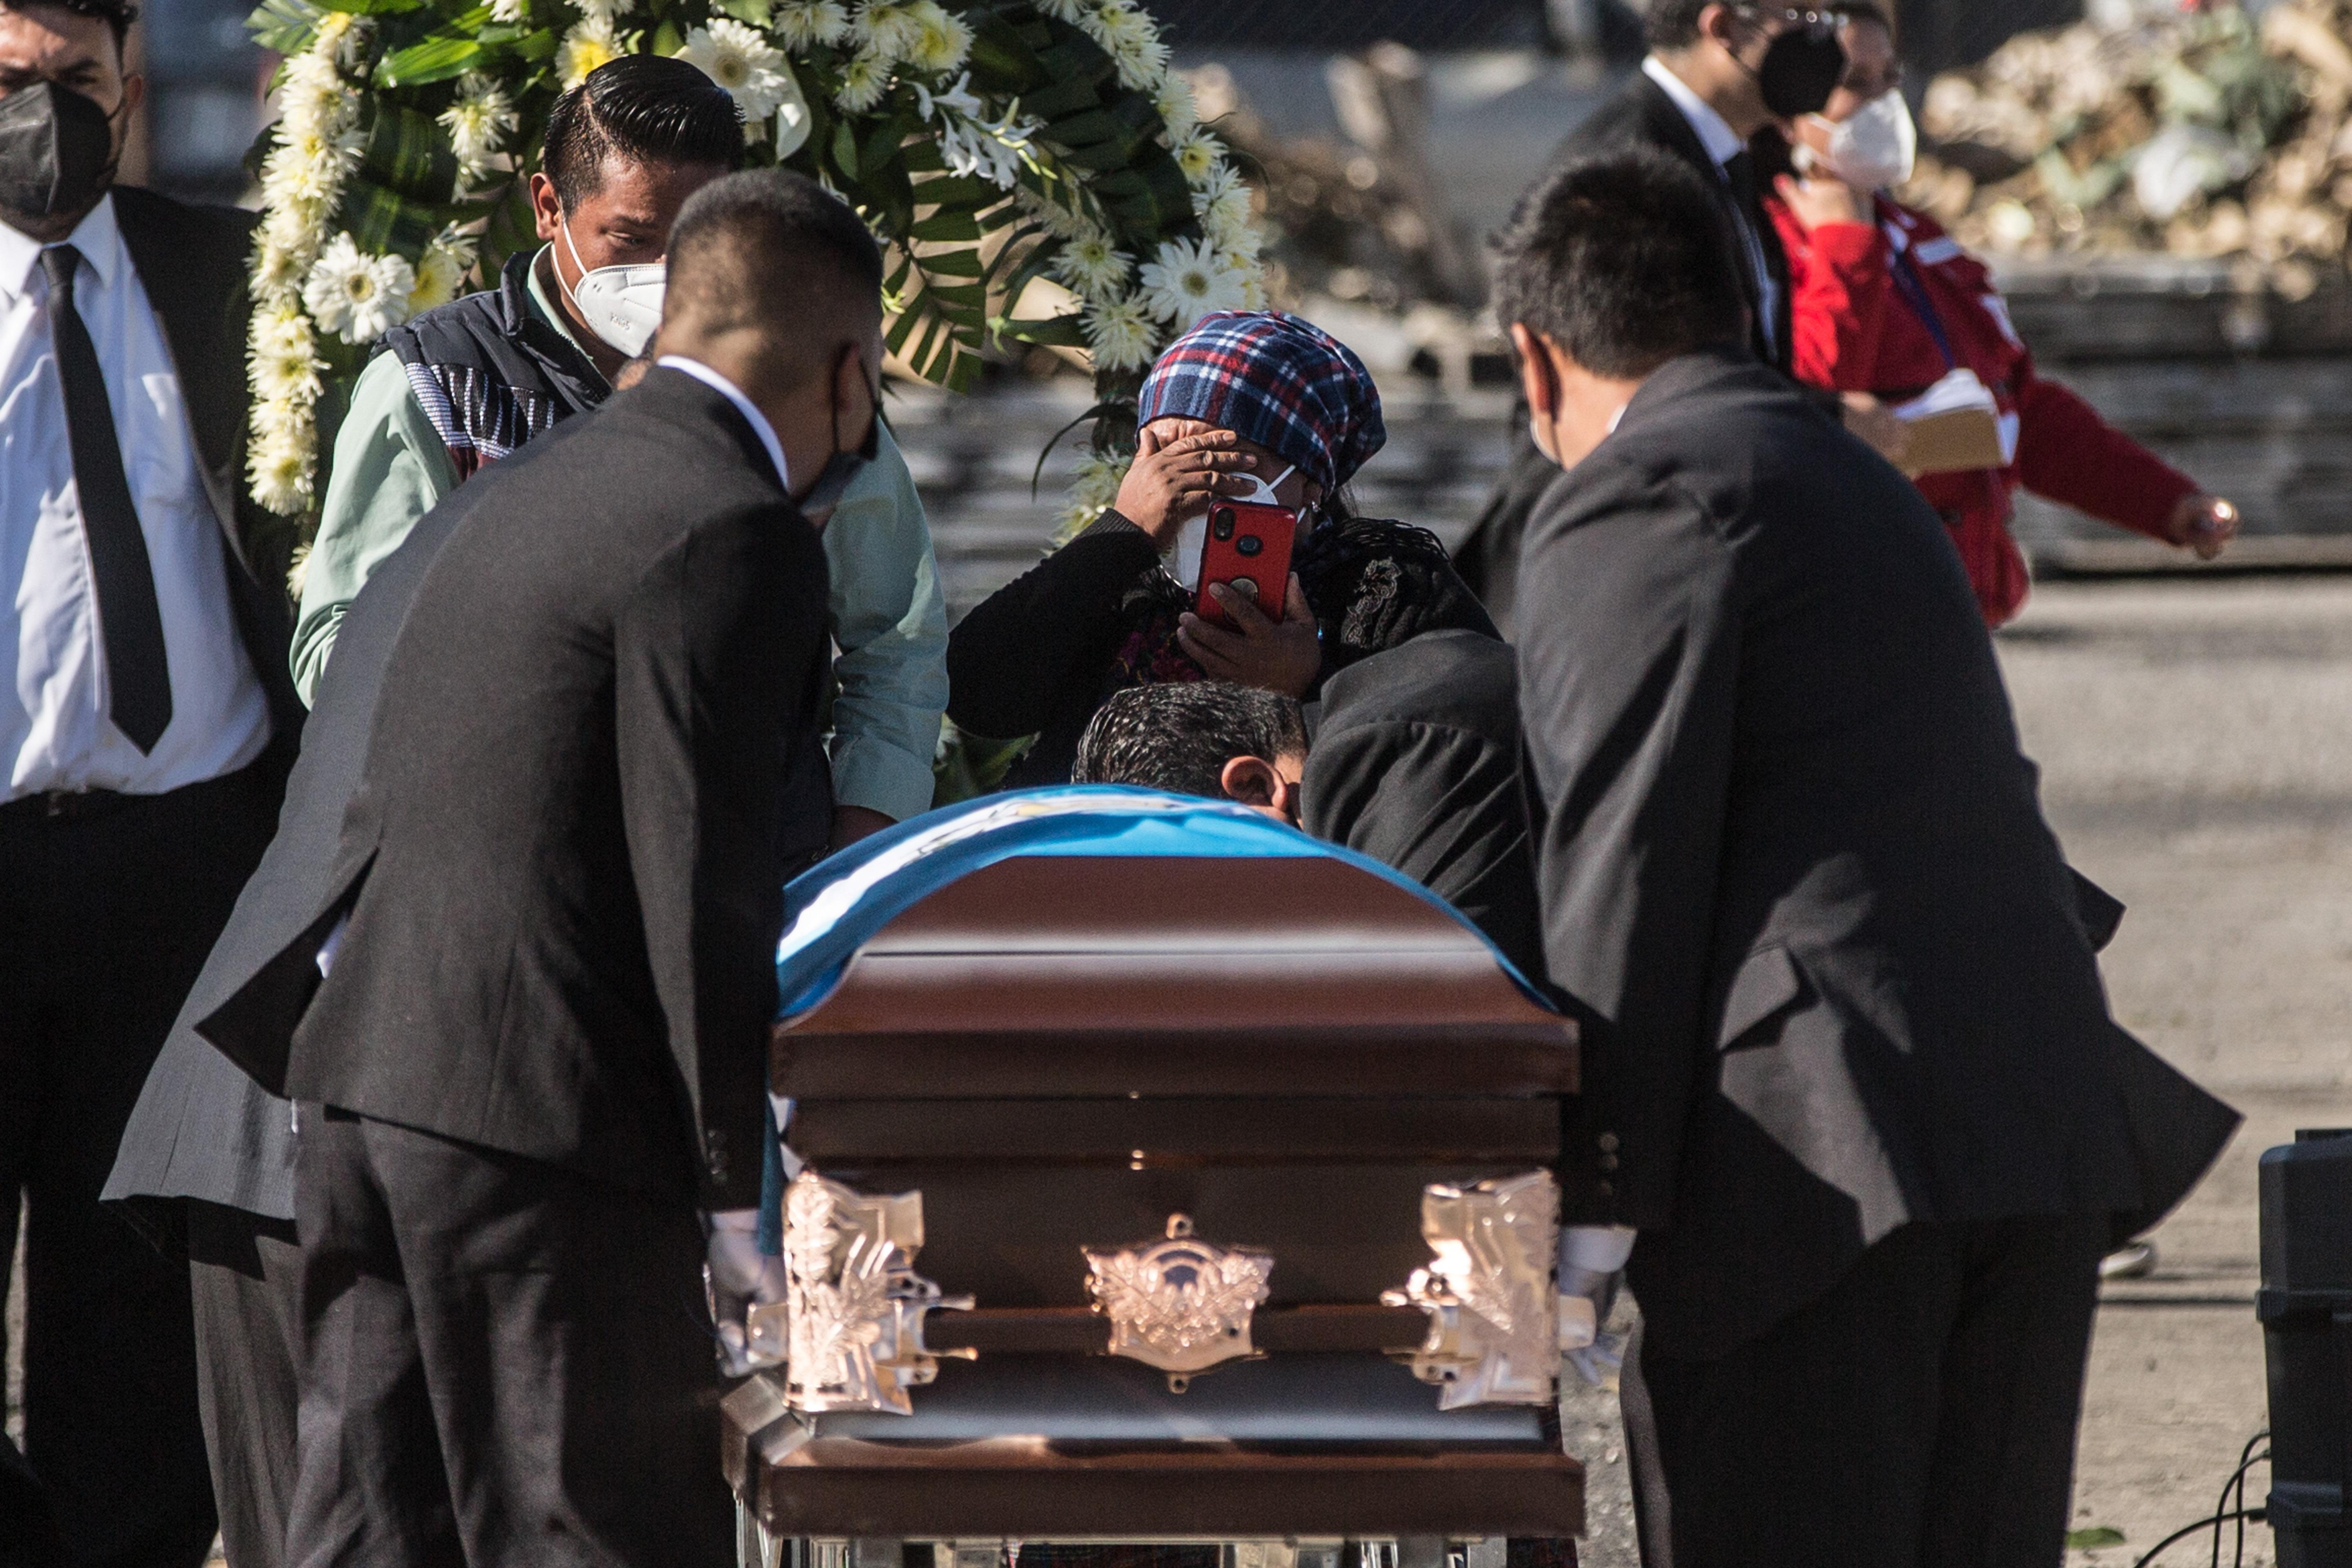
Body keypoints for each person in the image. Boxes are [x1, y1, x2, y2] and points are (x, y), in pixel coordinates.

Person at [1493, 148, 2239, 1567]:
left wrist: (1587, 1203)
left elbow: (1624, 853)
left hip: (1822, 1159)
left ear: (1536, 355)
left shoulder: (1636, 492)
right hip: (2031, 1118)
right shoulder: (1853, 470)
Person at [194, 168, 862, 1565]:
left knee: (374, 1532)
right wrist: (737, 1203)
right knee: (588, 1530)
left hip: (361, 1083)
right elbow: (701, 868)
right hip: (543, 1119)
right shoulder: (728, 528)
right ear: (846, 373)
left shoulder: (533, 483)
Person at [295, 54, 945, 846]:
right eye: (631, 241)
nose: (663, 277)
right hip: (515, 861)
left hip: (757, 860)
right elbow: (338, 653)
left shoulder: (797, 382)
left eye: (695, 242)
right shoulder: (435, 385)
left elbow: (896, 633)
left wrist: (865, 828)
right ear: (548, 206)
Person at [0, 0, 304, 1560]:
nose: (43, 117)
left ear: (129, 77)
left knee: (141, 1311)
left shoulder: (231, 280)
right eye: (7, 85)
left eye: (74, 82)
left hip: (185, 862)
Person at [1764, 2, 2239, 626]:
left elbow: (2020, 408)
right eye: (1855, 82)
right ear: (1789, 107)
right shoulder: (1770, 241)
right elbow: (1813, 403)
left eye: (1889, 79)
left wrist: (2168, 504)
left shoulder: (1917, 241)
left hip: (1958, 609)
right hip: (1857, 613)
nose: (1882, 103)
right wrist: (1844, 248)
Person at [1454, 0, 1876, 632]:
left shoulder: (1724, 154)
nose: (1827, 41)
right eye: (1803, 17)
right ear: (1726, 28)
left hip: (1682, 524)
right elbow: (1635, 374)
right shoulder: (1627, 165)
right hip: (1607, 555)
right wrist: (1826, 417)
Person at [948, 309, 1497, 787]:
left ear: (1309, 485)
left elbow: (1454, 740)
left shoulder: (1383, 586)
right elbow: (978, 693)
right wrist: (1123, 533)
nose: (1184, 487)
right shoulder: (1123, 588)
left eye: (1217, 461)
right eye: (1163, 459)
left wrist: (1303, 689)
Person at [1070, 628, 1543, 979]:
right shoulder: (1391, 699)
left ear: (1254, 786)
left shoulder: (1395, 757)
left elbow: (1439, 1025)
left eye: (1198, 892)